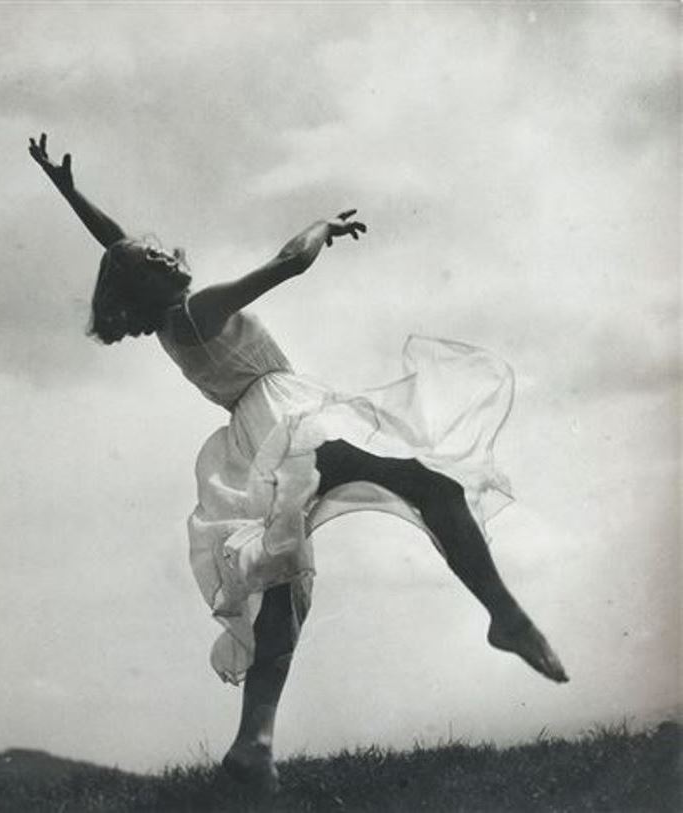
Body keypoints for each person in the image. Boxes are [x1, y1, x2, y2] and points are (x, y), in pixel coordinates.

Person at [29, 133, 568, 793]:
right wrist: (324, 226)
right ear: (147, 280)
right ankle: (505, 614)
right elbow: (289, 262)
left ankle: (254, 741)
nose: (168, 251)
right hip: (284, 417)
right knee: (428, 480)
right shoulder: (194, 311)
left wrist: (66, 189)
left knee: (282, 583)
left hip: (256, 437)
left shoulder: (168, 315)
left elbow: (116, 247)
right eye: (156, 256)